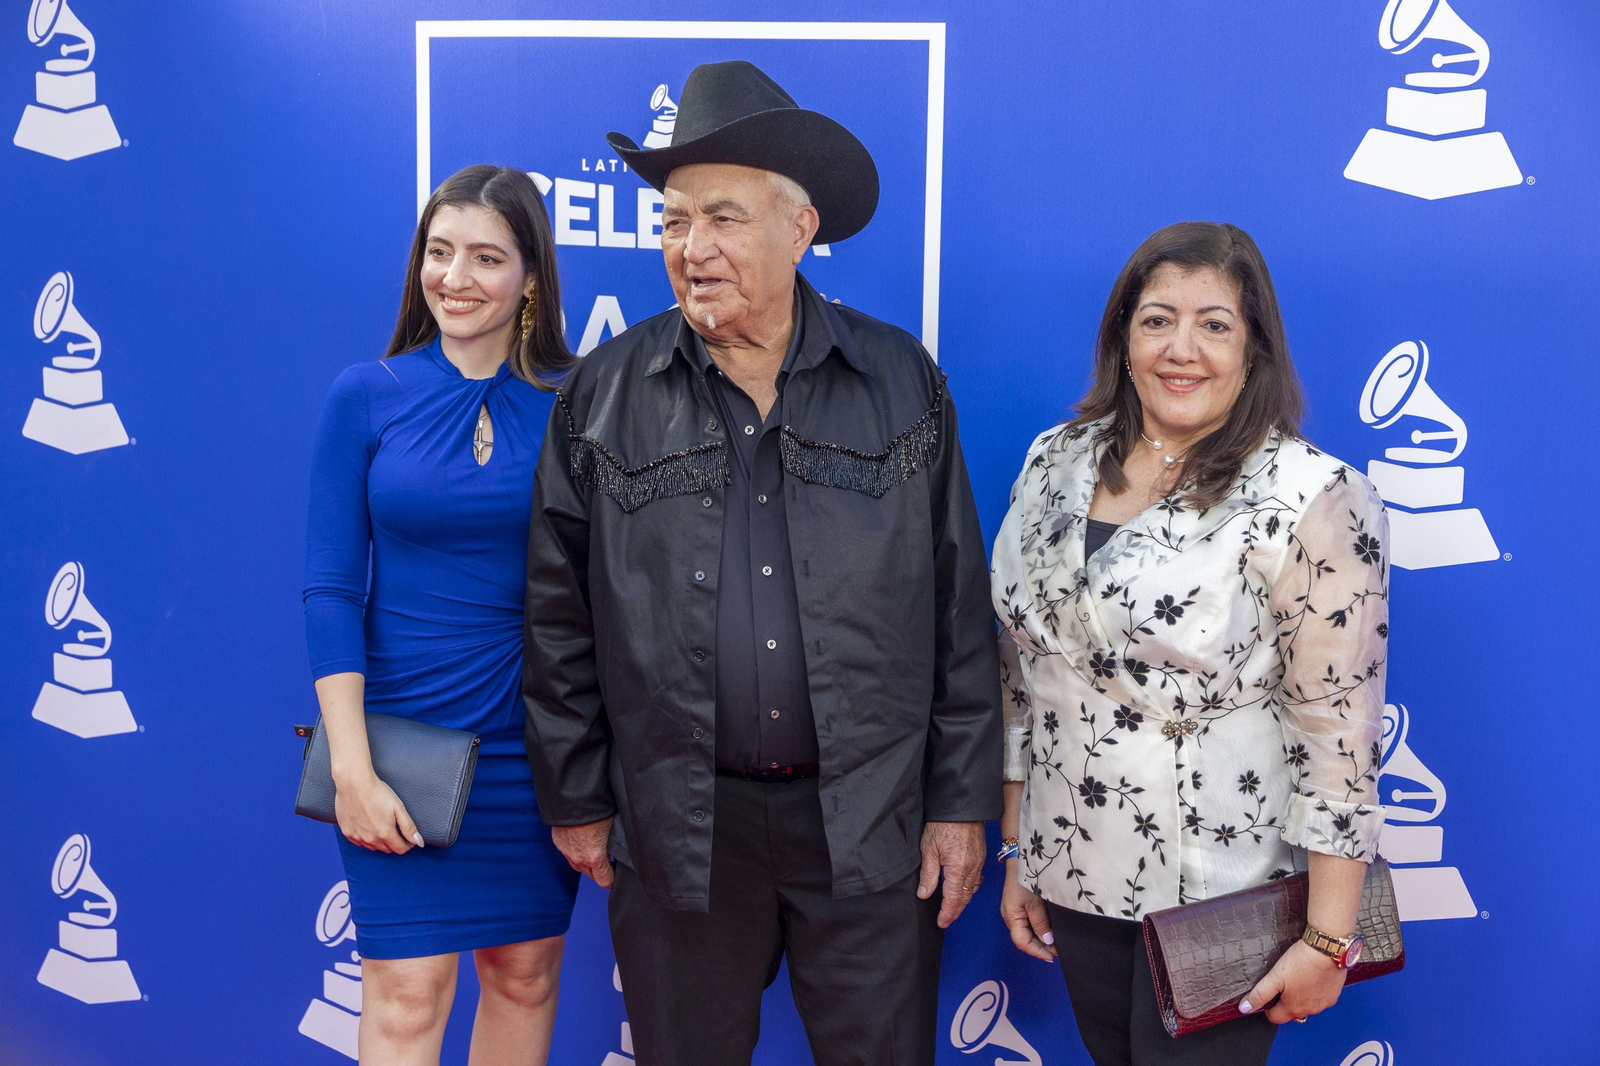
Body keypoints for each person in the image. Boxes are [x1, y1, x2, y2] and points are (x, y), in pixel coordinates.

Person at [521, 60, 1001, 1065]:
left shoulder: (901, 380)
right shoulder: (601, 395)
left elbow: (959, 610)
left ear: (800, 227)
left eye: (724, 219)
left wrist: (960, 803)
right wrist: (577, 797)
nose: (692, 249)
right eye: (673, 221)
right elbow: (556, 614)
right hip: (676, 829)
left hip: (868, 823)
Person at [991, 221, 1390, 1066]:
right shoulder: (1053, 460)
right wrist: (1021, 849)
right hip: (1076, 869)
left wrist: (1328, 940)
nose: (1183, 348)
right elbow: (1026, 679)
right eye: (1157, 319)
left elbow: (1338, 734)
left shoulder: (1312, 494)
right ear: (1122, 338)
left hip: (1224, 894)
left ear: (1255, 349)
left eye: (1215, 324)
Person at [303, 165, 580, 1066]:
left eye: (486, 257)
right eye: (439, 250)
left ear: (533, 275)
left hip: (536, 745)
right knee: (408, 992)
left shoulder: (579, 404)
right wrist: (350, 768)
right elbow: (332, 589)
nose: (454, 277)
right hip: (399, 743)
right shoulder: (366, 395)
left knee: (525, 975)